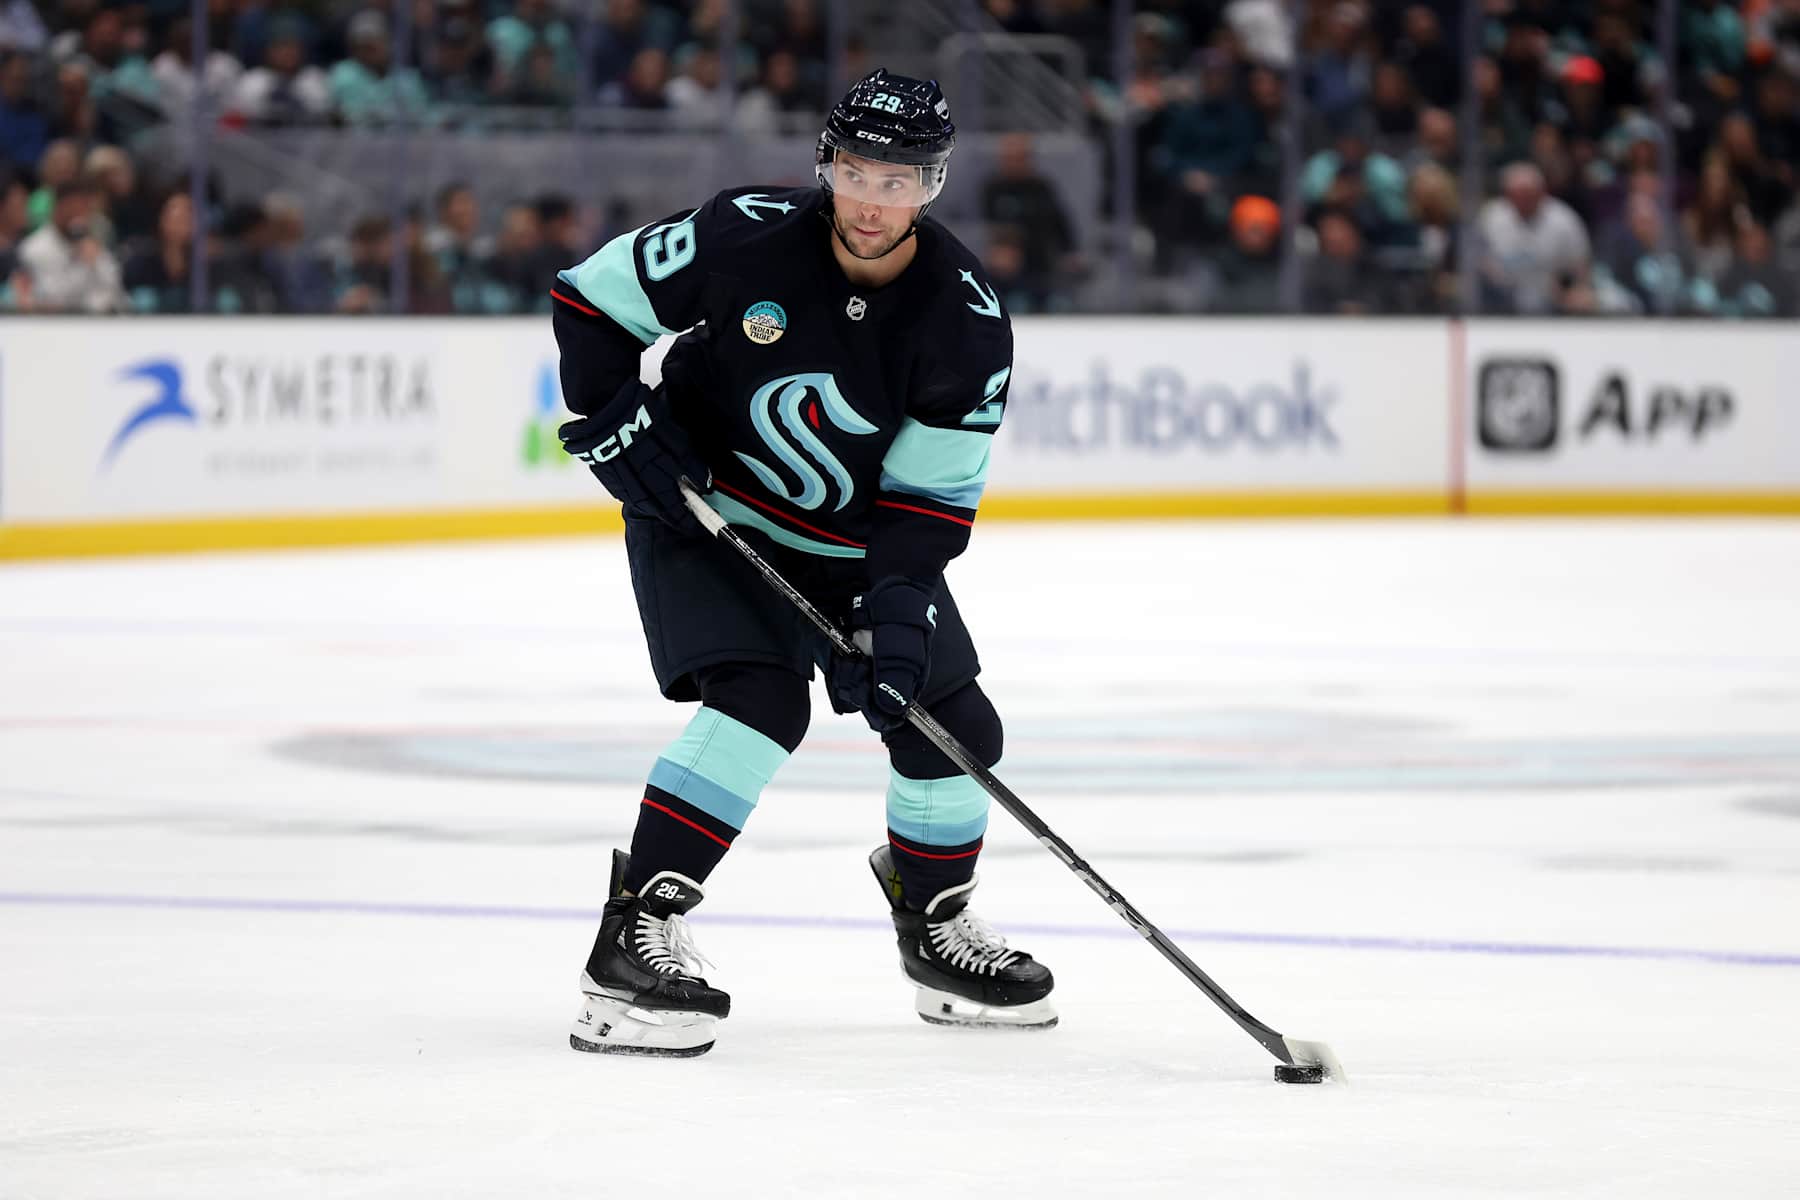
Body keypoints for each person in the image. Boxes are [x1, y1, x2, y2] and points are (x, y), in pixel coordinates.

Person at [550, 68, 1051, 1057]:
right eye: (856, 172)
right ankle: (632, 938)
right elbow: (594, 300)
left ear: (934, 184)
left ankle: (934, 925)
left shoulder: (965, 318)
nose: (872, 202)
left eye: (899, 182)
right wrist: (613, 416)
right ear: (826, 162)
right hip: (704, 512)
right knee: (759, 702)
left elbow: (927, 500)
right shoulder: (744, 233)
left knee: (953, 728)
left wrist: (895, 611)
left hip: (852, 547)